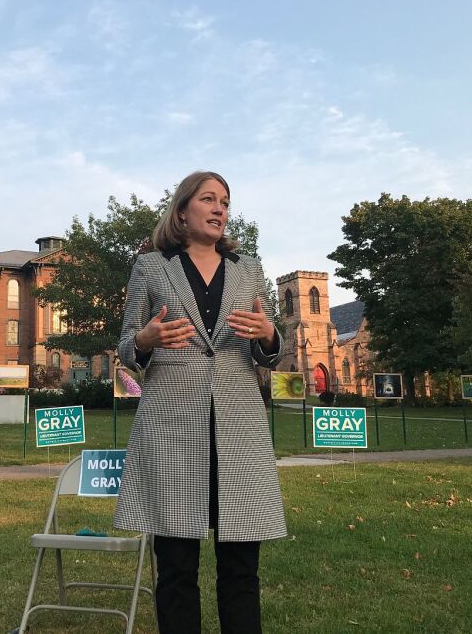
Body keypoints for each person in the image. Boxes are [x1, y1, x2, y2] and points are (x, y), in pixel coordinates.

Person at [114, 171, 286, 633]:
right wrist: (146, 339)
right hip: (171, 426)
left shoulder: (249, 268)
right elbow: (126, 349)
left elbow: (269, 347)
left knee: (241, 570)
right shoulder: (150, 267)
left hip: (239, 428)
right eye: (208, 199)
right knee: (175, 570)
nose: (219, 209)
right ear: (182, 210)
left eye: (225, 202)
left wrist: (270, 335)